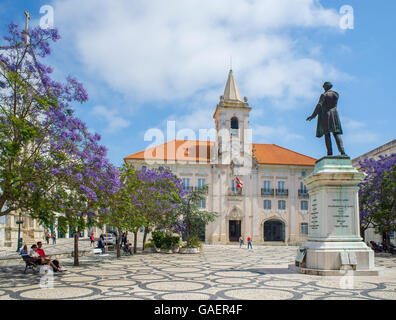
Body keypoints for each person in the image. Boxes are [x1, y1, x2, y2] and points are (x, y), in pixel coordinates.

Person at [306, 82, 346, 156]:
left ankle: (329, 153)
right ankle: (342, 151)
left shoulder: (324, 95)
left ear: (325, 87)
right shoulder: (336, 94)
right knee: (336, 133)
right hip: (335, 115)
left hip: (327, 115)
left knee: (327, 134)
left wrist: (312, 115)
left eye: (324, 86)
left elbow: (319, 106)